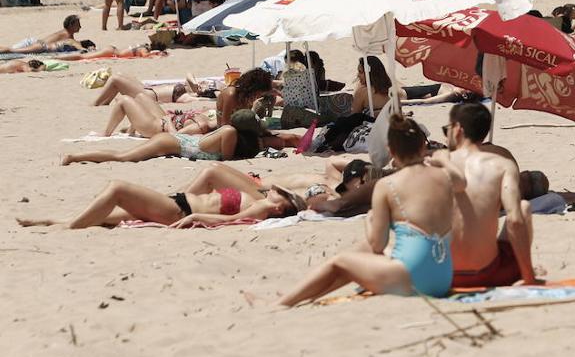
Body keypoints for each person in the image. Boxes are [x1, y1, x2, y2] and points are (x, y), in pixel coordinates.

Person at [279, 116, 455, 305]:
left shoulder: (387, 185)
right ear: (423, 145)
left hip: (413, 278)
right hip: (443, 275)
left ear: (391, 151)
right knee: (361, 252)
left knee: (340, 261)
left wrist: (369, 221)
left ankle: (280, 304)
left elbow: (377, 245)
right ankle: (308, 297)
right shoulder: (444, 176)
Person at [436, 102, 537, 287]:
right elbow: (515, 220)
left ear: (458, 129)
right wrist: (529, 277)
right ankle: (526, 273)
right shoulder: (502, 164)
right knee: (523, 208)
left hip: (442, 273)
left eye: (446, 129)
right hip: (488, 273)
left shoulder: (437, 164)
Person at [17, 171, 304, 229]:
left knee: (116, 188)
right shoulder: (264, 203)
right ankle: (53, 221)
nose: (275, 191)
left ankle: (69, 228)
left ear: (281, 206)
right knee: (103, 217)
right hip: (179, 205)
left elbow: (231, 220)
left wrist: (196, 218)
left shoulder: (267, 207)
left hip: (179, 210)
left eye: (282, 194)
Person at [61, 109, 265, 165]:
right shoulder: (229, 132)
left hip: (176, 142)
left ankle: (75, 157)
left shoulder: (231, 131)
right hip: (172, 142)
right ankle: (74, 157)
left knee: (124, 156)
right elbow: (227, 159)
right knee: (123, 157)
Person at [1, 15, 85, 54]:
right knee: (10, 51)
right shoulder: (66, 34)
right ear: (71, 25)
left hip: (34, 42)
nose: (80, 27)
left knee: (10, 49)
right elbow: (74, 44)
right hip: (38, 45)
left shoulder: (66, 33)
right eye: (78, 25)